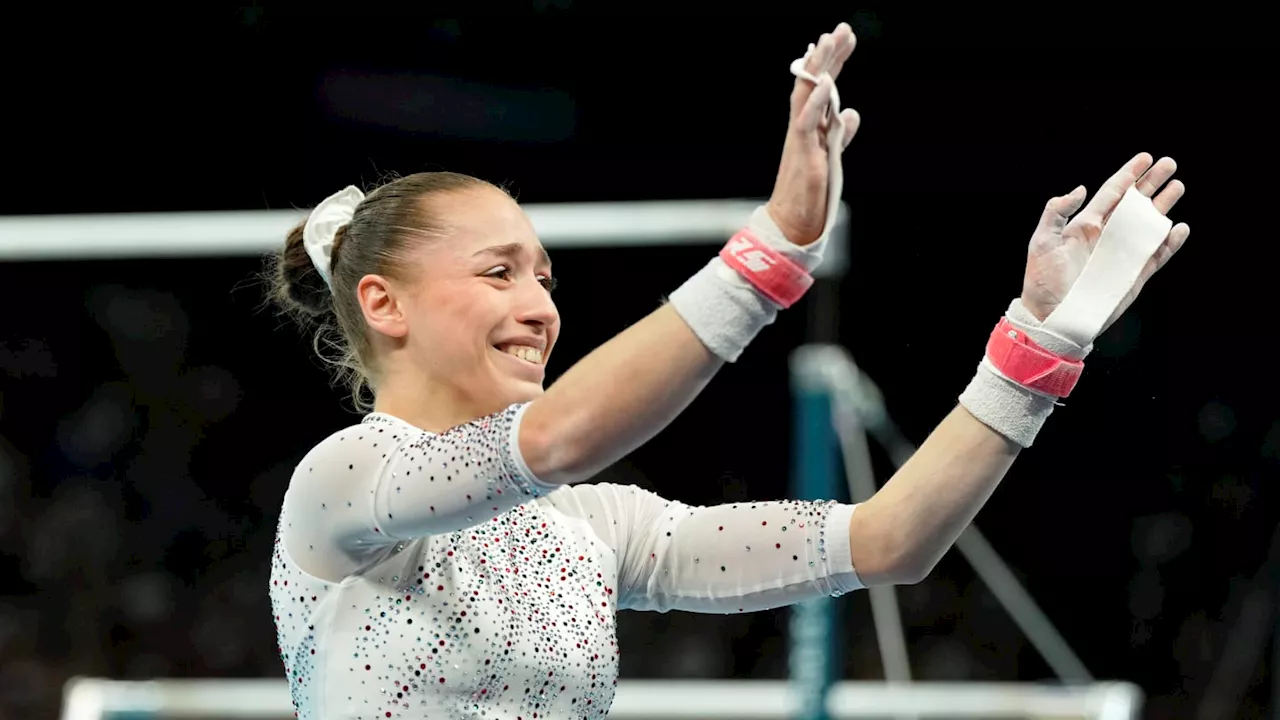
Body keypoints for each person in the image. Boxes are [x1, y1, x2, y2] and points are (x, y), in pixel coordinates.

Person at [265, 23, 1189, 720]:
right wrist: (777, 249)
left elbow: (886, 542)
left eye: (545, 277)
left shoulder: (594, 527)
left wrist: (1041, 341)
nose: (541, 306)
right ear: (384, 304)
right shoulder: (343, 484)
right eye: (498, 272)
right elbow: (559, 438)